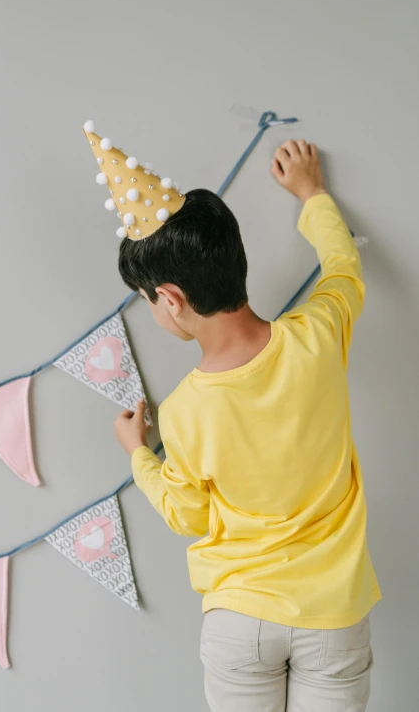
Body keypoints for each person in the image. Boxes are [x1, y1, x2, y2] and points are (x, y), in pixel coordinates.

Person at [113, 141, 381, 712]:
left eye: (146, 300)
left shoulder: (185, 411)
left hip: (240, 617)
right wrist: (311, 193)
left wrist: (139, 454)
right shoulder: (318, 333)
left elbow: (188, 514)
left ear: (170, 298)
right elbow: (344, 267)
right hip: (334, 613)